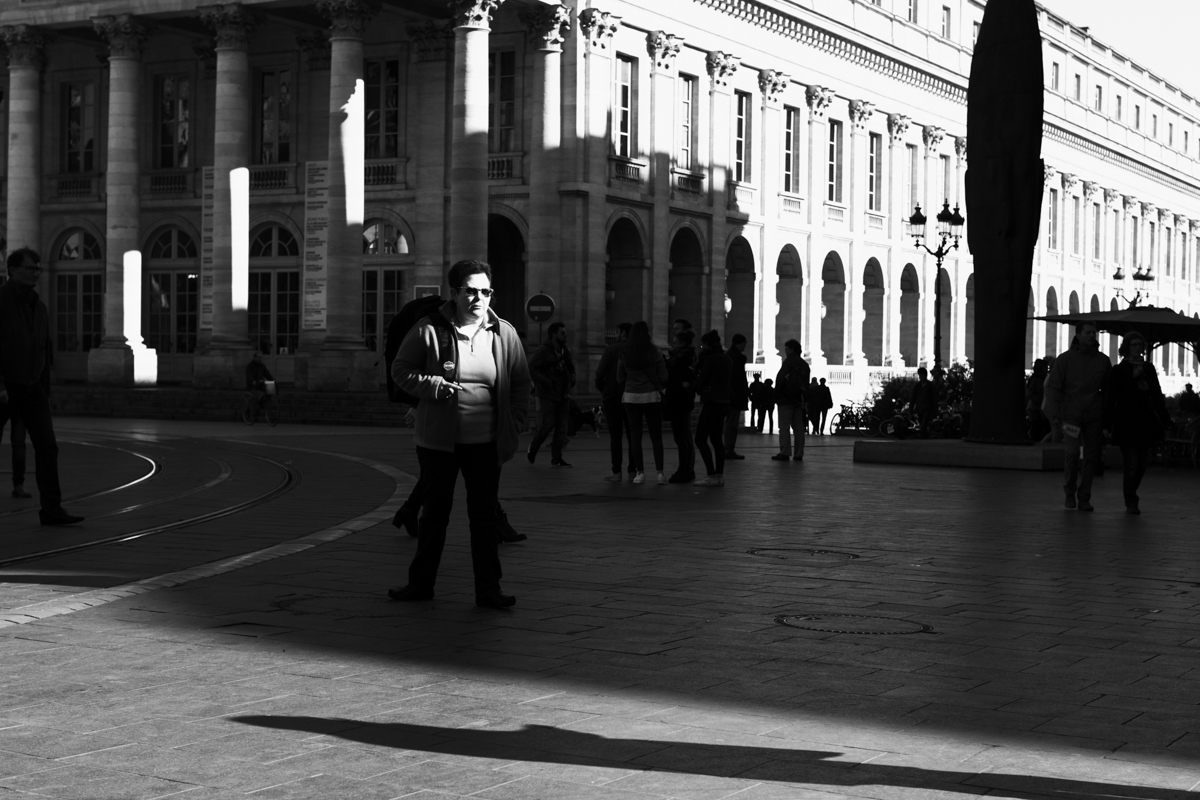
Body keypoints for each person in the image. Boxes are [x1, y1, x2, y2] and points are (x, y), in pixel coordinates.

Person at [388, 260, 530, 608]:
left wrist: (516, 419)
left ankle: (488, 589)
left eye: (486, 291)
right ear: (455, 292)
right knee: (434, 516)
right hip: (439, 443)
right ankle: (420, 585)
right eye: (471, 290)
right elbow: (400, 370)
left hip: (486, 443)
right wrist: (434, 385)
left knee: (484, 518)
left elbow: (520, 382)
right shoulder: (429, 329)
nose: (479, 297)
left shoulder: (504, 332)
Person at [0, 247, 83, 525]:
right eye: (29, 268)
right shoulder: (1, 301)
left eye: (37, 268)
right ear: (12, 271)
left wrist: (44, 389)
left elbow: (43, 349)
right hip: (4, 387)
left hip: (32, 386)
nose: (35, 272)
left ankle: (51, 509)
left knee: (47, 446)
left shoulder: (40, 306)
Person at [1044, 321, 1112, 512]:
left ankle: (1084, 497)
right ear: (1079, 335)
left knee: (1091, 457)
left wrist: (1106, 416)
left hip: (1094, 416)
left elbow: (1107, 391)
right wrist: (1056, 415)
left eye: (1094, 333)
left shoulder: (1103, 361)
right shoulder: (1065, 359)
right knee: (1072, 453)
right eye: (1088, 333)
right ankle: (1069, 492)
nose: (1092, 336)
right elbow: (1053, 388)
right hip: (1070, 416)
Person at [1105, 331, 1170, 515]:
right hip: (1126, 421)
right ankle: (1131, 500)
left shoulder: (1148, 368)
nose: (1137, 348)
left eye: (1140, 345)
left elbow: (1157, 395)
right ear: (1126, 347)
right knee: (1131, 464)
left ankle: (1131, 492)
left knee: (1142, 464)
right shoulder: (1119, 370)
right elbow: (1112, 398)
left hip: (1145, 422)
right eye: (1134, 345)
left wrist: (1166, 421)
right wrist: (1107, 423)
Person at [616, 321, 668, 484]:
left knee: (635, 436)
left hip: (631, 396)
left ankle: (640, 472)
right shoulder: (654, 351)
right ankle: (660, 473)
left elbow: (619, 377)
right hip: (651, 396)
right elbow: (664, 376)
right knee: (656, 436)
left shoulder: (625, 352)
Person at [527, 321, 576, 467]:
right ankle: (533, 448)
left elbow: (570, 367)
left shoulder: (565, 351)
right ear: (554, 335)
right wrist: (545, 381)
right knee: (548, 425)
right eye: (562, 332)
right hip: (548, 394)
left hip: (563, 394)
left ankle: (556, 458)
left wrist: (572, 378)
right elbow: (531, 367)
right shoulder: (543, 351)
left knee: (561, 428)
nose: (565, 334)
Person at [594, 322, 634, 482]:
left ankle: (616, 472)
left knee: (615, 437)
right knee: (633, 436)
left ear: (623, 333)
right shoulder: (635, 350)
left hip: (612, 397)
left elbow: (600, 373)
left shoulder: (611, 350)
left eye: (617, 332)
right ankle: (633, 471)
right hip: (631, 396)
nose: (616, 335)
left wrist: (603, 388)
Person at [692, 330, 732, 486]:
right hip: (724, 402)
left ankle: (711, 474)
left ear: (708, 345)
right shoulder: (726, 359)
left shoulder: (711, 359)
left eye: (703, 345)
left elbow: (702, 380)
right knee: (716, 439)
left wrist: (691, 385)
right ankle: (719, 475)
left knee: (700, 438)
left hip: (712, 401)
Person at [665, 327, 697, 483]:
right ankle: (686, 469)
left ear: (683, 343)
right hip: (680, 399)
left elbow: (676, 376)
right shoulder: (684, 357)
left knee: (681, 436)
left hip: (679, 400)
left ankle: (684, 469)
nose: (672, 344)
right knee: (682, 436)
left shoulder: (682, 359)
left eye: (675, 342)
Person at [773, 340, 810, 461]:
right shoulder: (804, 365)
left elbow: (780, 379)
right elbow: (806, 384)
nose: (785, 351)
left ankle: (785, 452)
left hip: (785, 399)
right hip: (798, 400)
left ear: (792, 349)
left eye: (786, 349)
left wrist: (776, 395)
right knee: (798, 427)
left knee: (784, 427)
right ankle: (799, 454)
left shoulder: (788, 362)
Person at [723, 333, 749, 459]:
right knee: (732, 423)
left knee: (731, 423)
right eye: (744, 343)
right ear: (740, 343)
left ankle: (728, 448)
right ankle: (728, 449)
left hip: (734, 394)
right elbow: (737, 378)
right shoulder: (735, 357)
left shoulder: (732, 355)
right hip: (735, 394)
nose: (745, 346)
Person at [0, 412, 29, 498]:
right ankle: (18, 485)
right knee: (19, 443)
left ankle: (19, 485)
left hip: (18, 402)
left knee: (19, 443)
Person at [1026, 358, 1051, 442]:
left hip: (1036, 407)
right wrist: (1037, 401)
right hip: (1035, 408)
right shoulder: (1037, 379)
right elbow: (1030, 393)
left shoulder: (1036, 379)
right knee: (1037, 427)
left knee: (1037, 427)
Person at [911, 367, 937, 438]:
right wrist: (911, 408)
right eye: (920, 375)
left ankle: (923, 434)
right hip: (920, 408)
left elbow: (934, 397)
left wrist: (935, 409)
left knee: (924, 423)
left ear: (925, 375)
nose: (920, 377)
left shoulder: (930, 385)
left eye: (922, 375)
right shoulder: (917, 386)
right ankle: (925, 436)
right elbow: (913, 398)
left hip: (928, 408)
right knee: (921, 422)